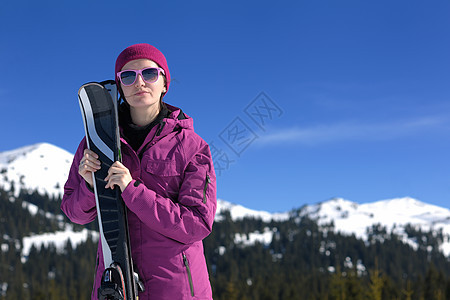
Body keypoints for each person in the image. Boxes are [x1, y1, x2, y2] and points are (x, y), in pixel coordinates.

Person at [61, 43, 217, 300]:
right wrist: (90, 187)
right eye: (128, 76)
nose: (139, 82)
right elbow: (74, 213)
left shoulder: (193, 147)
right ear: (119, 86)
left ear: (165, 83)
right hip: (116, 285)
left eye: (149, 74)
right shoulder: (96, 141)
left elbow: (196, 223)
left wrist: (133, 191)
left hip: (176, 290)